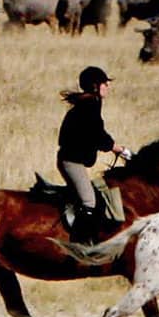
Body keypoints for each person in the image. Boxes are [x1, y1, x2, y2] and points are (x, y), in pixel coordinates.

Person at [57, 66, 132, 243]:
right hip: (71, 162)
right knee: (89, 202)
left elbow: (97, 133)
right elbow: (97, 135)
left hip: (72, 160)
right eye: (105, 83)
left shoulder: (89, 103)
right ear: (94, 86)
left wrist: (115, 147)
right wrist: (120, 150)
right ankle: (80, 244)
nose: (108, 86)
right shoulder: (89, 105)